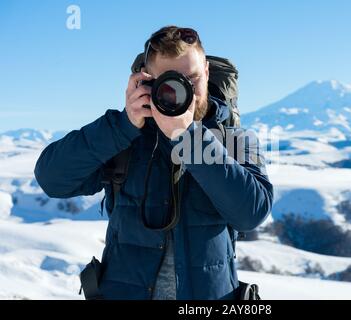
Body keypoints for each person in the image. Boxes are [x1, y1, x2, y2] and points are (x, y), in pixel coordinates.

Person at [34, 25, 273, 300]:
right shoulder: (123, 138)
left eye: (192, 79)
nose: (185, 93)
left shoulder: (236, 140)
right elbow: (52, 179)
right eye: (170, 83)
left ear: (207, 72)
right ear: (147, 83)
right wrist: (122, 126)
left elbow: (251, 213)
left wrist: (190, 139)